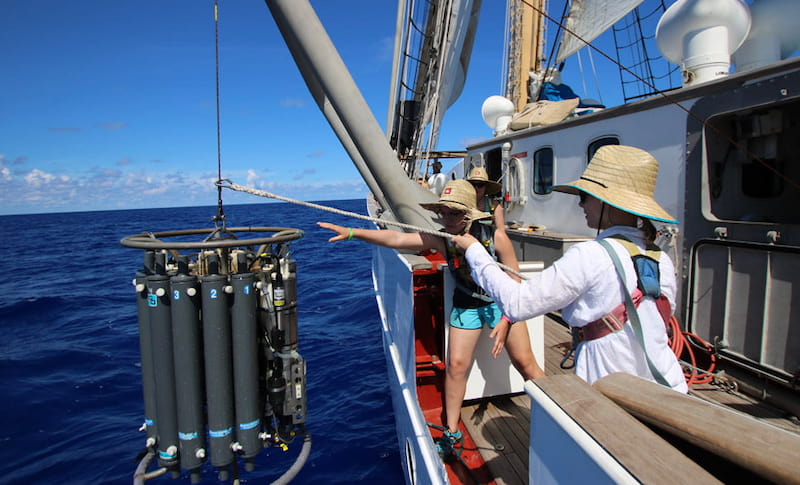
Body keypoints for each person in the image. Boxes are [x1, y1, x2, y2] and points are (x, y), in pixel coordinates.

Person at [317, 179, 544, 453]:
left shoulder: (495, 237)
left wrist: (507, 319)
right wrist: (354, 233)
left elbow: (515, 281)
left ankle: (556, 418)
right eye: (443, 212)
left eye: (454, 213)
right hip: (466, 304)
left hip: (502, 305)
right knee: (457, 366)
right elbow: (399, 238)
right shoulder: (442, 238)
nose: (447, 219)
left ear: (469, 214)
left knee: (525, 362)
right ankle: (451, 432)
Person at [453, 145, 688, 393]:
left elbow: (517, 303)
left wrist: (474, 251)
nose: (580, 204)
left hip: (614, 396)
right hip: (670, 389)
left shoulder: (591, 255)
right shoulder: (661, 257)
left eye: (584, 196)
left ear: (604, 201)